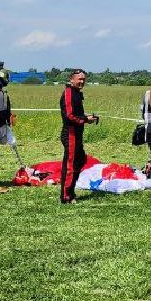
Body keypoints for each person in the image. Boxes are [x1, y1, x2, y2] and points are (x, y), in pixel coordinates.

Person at [59, 69, 99, 204]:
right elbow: (69, 116)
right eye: (79, 79)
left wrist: (86, 118)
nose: (82, 81)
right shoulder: (69, 92)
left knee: (80, 160)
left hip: (77, 134)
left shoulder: (76, 93)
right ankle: (66, 196)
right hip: (70, 133)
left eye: (83, 79)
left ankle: (70, 190)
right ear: (72, 79)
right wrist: (85, 120)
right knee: (70, 165)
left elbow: (76, 114)